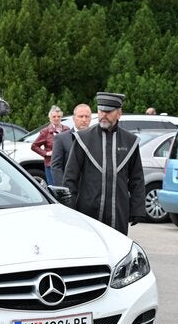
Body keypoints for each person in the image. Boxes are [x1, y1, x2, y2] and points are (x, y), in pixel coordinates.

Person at [62, 92, 145, 235]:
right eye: (101, 111)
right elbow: (70, 177)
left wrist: (137, 208)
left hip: (118, 211)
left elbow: (137, 178)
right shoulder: (83, 139)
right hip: (87, 211)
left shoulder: (130, 141)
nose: (103, 115)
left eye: (109, 112)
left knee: (117, 246)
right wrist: (69, 207)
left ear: (119, 113)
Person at [50, 103, 91, 186]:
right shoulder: (61, 138)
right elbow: (56, 167)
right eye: (81, 116)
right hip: (71, 188)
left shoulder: (96, 137)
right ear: (74, 118)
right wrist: (64, 188)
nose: (84, 120)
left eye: (87, 116)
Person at [30, 105, 67, 185]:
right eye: (54, 116)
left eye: (58, 116)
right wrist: (46, 153)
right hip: (51, 165)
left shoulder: (66, 129)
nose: (56, 118)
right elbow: (34, 146)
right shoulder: (45, 131)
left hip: (65, 164)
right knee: (54, 188)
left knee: (66, 187)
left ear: (61, 117)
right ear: (50, 118)